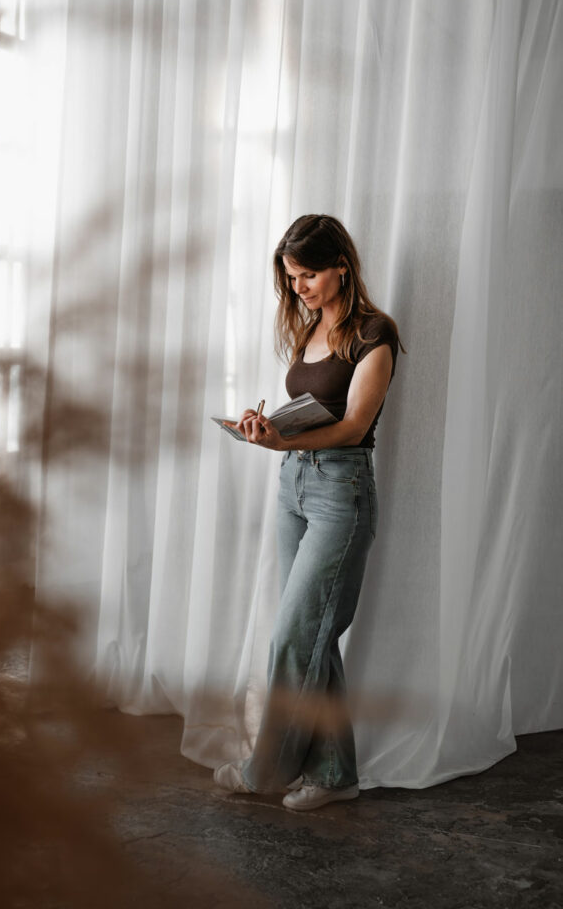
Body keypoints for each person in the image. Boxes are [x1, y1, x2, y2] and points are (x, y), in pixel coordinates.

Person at [213, 214, 403, 811]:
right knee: (314, 635)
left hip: (340, 495)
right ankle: (335, 775)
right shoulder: (308, 327)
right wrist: (262, 425)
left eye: (310, 274)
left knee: (296, 637)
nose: (300, 287)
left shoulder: (376, 333)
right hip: (293, 486)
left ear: (341, 265)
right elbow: (311, 410)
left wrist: (281, 441)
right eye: (292, 277)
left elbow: (352, 426)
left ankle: (264, 770)